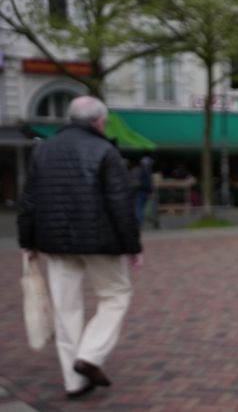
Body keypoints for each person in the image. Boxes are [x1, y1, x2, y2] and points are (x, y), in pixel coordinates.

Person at [17, 96, 143, 399]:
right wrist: (132, 245)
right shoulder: (105, 150)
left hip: (56, 242)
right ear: (98, 121)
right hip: (101, 241)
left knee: (66, 309)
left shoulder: (44, 150)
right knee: (115, 295)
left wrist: (27, 242)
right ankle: (90, 355)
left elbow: (29, 199)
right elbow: (120, 201)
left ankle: (74, 382)